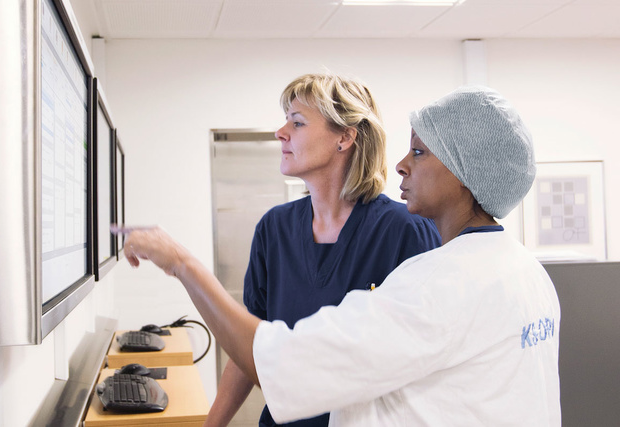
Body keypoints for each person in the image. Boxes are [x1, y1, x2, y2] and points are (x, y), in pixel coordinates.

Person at [121, 85, 561, 426]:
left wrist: (181, 261)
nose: (402, 165)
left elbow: (283, 363)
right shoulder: (524, 271)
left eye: (421, 152)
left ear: (467, 175)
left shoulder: (437, 282)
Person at [207, 73, 440, 427]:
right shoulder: (274, 229)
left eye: (297, 122)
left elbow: (424, 364)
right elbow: (249, 348)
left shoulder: (405, 231)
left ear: (345, 137)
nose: (280, 132)